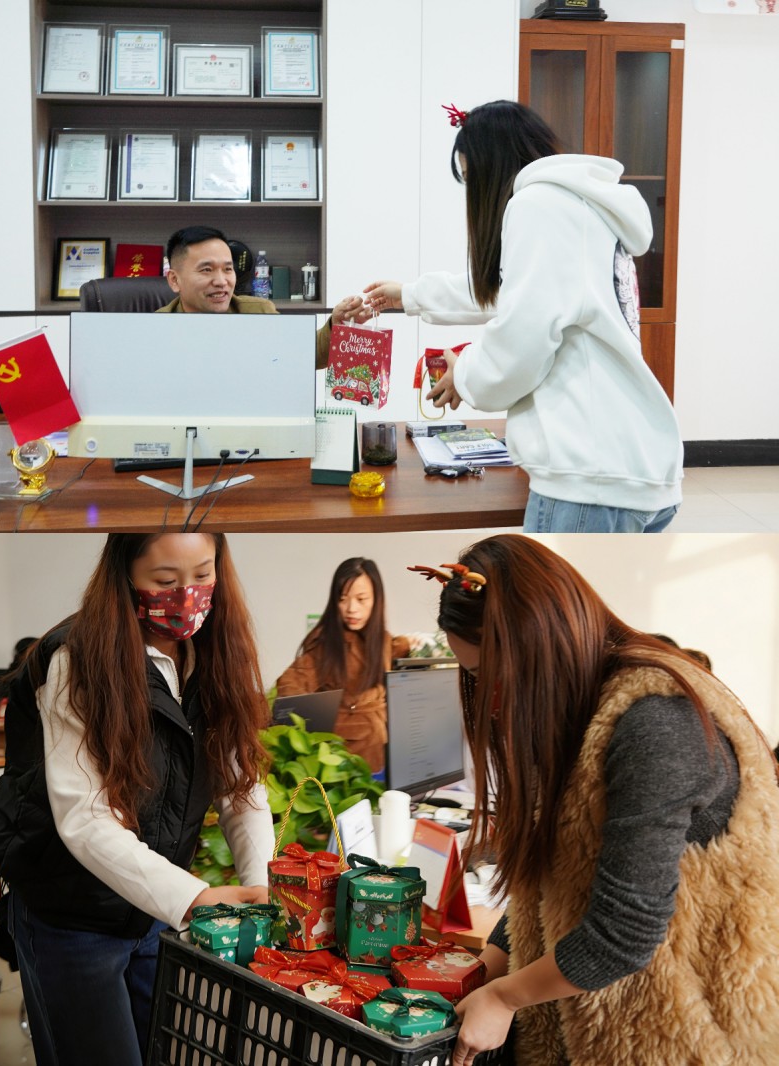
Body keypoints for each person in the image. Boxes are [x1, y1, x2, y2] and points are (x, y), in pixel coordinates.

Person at [409, 535, 779, 1065]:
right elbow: (548, 883)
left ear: (540, 647)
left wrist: (505, 996)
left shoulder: (656, 725)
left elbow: (624, 932)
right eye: (473, 677)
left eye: (492, 675)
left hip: (682, 1034)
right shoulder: (574, 712)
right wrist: (486, 968)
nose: (489, 701)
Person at [0, 533, 275, 1066]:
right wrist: (194, 898)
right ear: (124, 575)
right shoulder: (76, 659)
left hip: (151, 912)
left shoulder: (216, 652)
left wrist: (262, 887)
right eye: (165, 581)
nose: (187, 596)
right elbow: (86, 820)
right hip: (71, 915)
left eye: (203, 575)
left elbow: (241, 787)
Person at [365, 101, 683, 533]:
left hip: (588, 478)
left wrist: (464, 373)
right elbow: (511, 290)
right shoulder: (580, 207)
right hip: (631, 466)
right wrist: (408, 295)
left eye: (471, 178)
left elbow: (521, 343)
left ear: (490, 167)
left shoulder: (538, 206)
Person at [159, 225, 371, 369]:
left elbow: (303, 355)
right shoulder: (154, 330)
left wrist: (337, 324)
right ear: (174, 280)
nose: (222, 281)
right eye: (206, 270)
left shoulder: (257, 312)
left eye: (228, 269)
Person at [275, 557, 409, 773]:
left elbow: (388, 658)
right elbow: (289, 689)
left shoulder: (382, 639)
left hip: (383, 750)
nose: (351, 609)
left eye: (361, 599)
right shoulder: (325, 643)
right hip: (344, 759)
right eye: (343, 599)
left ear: (376, 599)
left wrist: (407, 645)